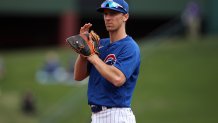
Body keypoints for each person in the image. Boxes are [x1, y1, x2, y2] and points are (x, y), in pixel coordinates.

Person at [74, 0, 140, 123]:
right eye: (106, 14)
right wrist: (83, 50)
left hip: (117, 115)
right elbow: (78, 76)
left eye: (113, 14)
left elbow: (118, 79)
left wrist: (92, 56)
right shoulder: (100, 44)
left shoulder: (130, 47)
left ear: (125, 16)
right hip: (96, 116)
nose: (108, 18)